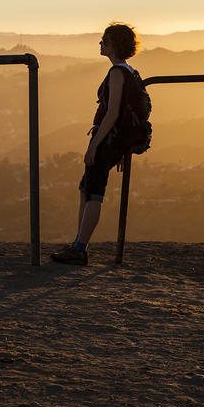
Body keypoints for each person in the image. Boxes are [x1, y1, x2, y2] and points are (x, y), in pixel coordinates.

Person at [51, 22, 143, 265]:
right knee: (86, 188)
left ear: (113, 45)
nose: (100, 44)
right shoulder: (131, 72)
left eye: (104, 40)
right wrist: (122, 148)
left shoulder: (116, 73)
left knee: (93, 193)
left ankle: (80, 248)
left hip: (106, 140)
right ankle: (78, 243)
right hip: (116, 142)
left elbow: (112, 113)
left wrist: (94, 145)